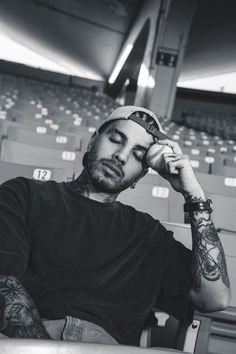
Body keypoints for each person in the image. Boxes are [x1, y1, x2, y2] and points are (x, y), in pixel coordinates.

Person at [0, 105, 231, 346]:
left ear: (141, 175)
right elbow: (5, 283)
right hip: (23, 341)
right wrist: (43, 347)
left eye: (138, 154)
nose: (121, 155)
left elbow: (215, 299)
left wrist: (194, 196)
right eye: (116, 139)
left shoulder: (150, 235)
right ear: (92, 141)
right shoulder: (24, 194)